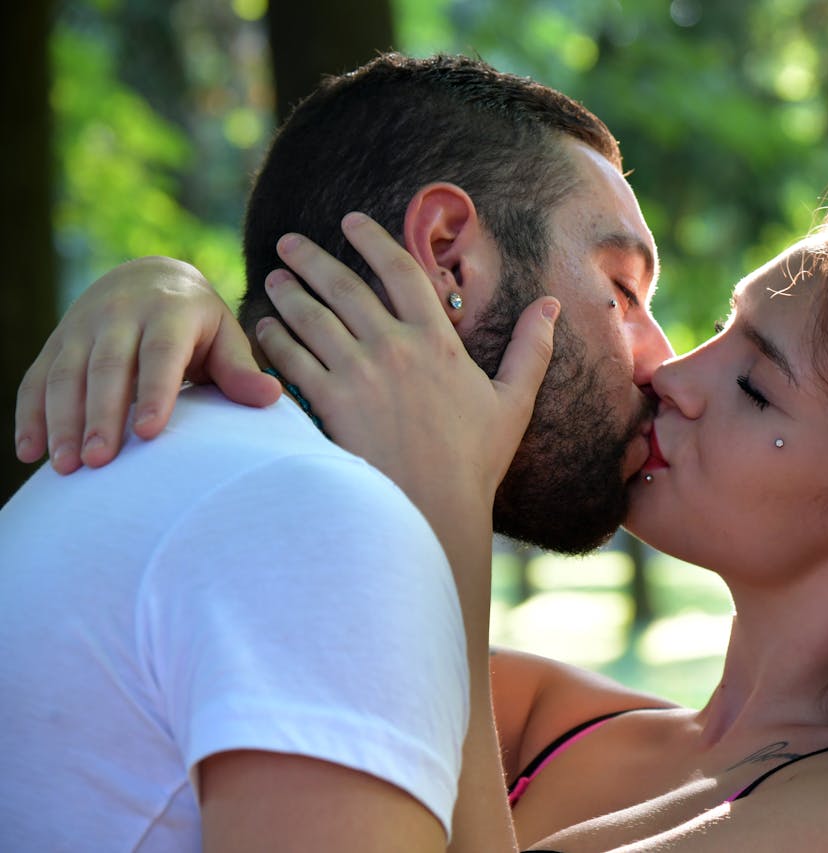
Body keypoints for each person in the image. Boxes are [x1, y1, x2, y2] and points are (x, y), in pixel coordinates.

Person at [17, 165, 828, 851]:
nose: (665, 374)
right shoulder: (563, 716)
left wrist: (445, 516)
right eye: (713, 329)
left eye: (751, 377)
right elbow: (251, 650)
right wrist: (168, 298)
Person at [0, 50, 676, 852]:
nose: (661, 358)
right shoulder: (319, 521)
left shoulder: (189, 460)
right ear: (450, 254)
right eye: (623, 289)